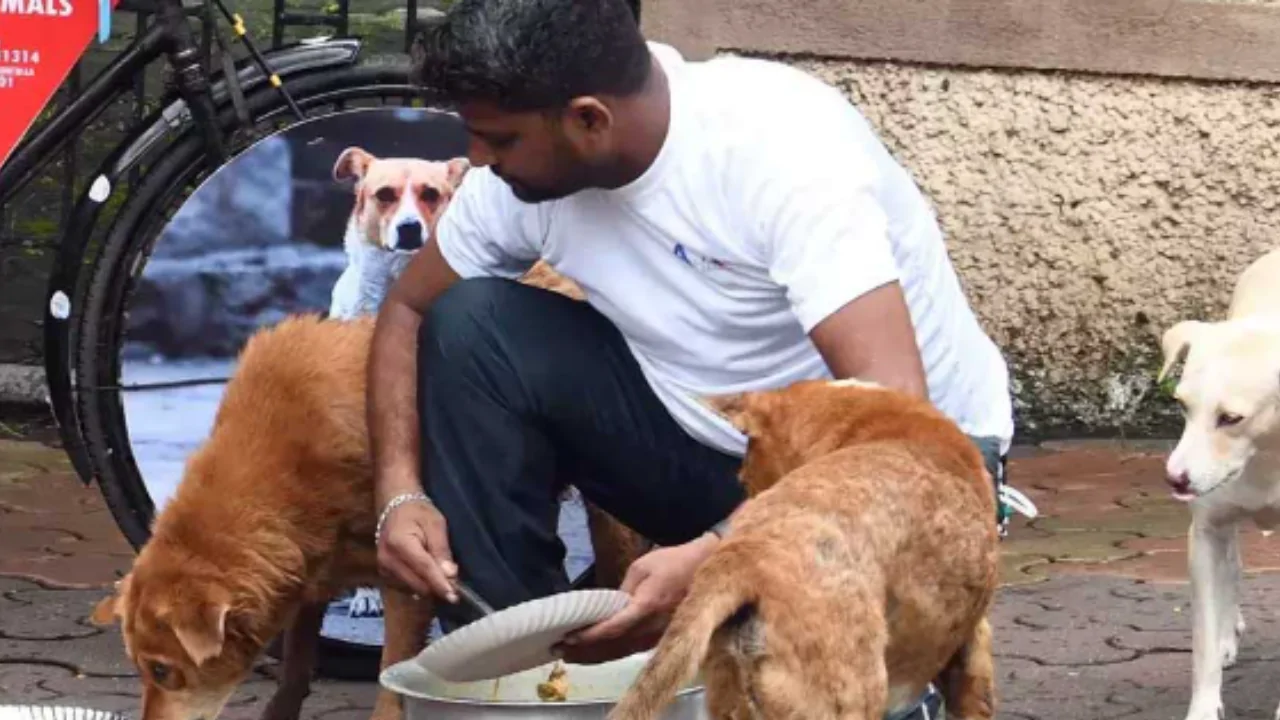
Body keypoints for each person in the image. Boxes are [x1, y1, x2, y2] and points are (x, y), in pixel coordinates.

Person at [370, 0, 1017, 715]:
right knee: (474, 324)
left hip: (908, 480)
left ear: (589, 119)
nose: (481, 160)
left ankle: (905, 678)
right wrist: (399, 493)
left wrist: (717, 556)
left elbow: (894, 427)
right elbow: (407, 308)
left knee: (811, 691)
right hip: (711, 447)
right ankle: (522, 680)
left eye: (499, 139)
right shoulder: (515, 184)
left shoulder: (779, 149)